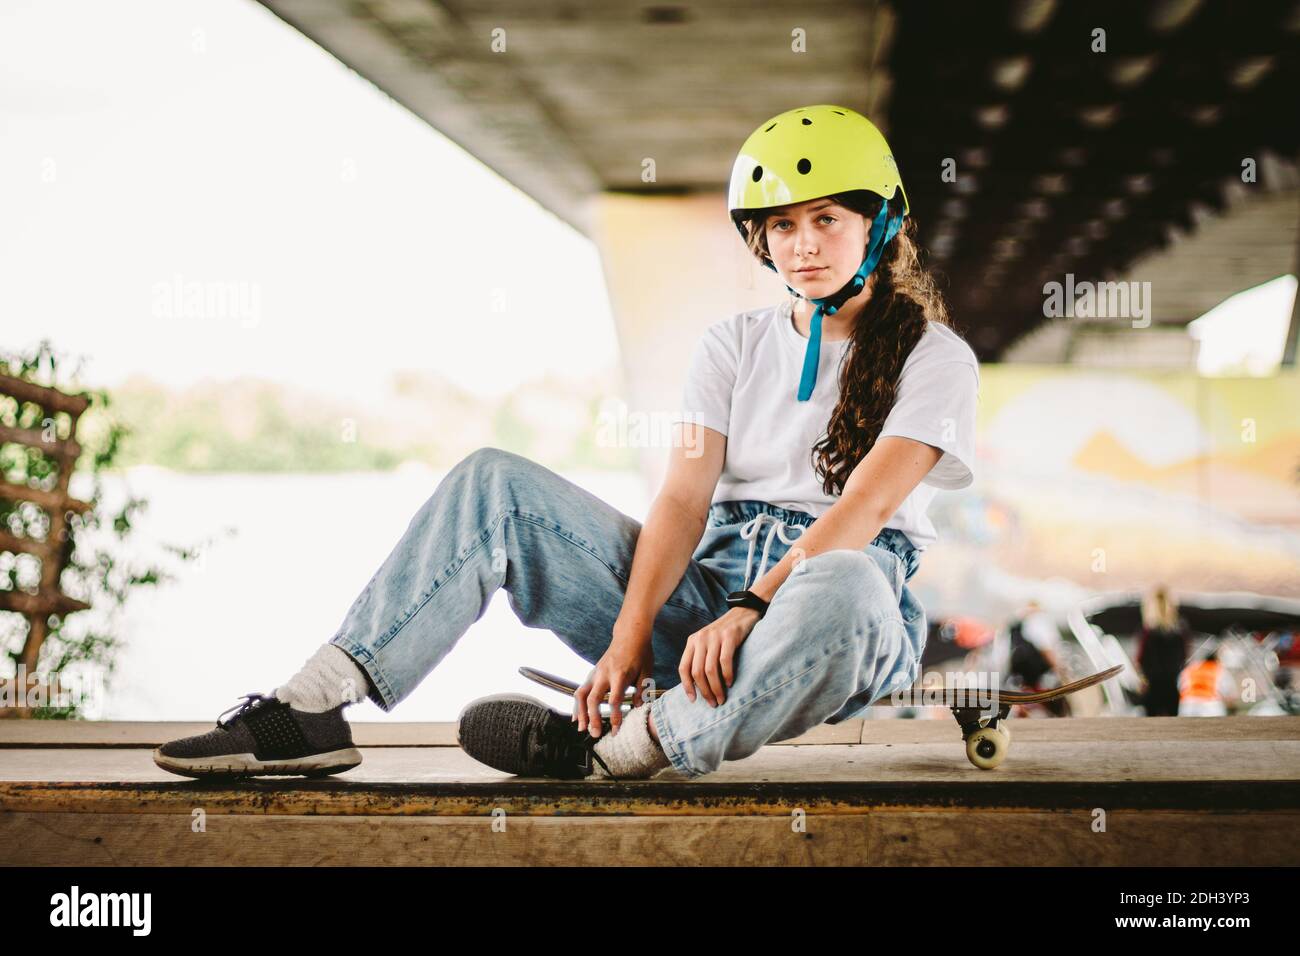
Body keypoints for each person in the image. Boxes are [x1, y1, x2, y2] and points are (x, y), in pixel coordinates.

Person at [153, 104, 981, 782]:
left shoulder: (936, 358)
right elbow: (685, 500)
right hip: (700, 611)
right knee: (493, 482)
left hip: (828, 615)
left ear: (881, 224)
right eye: (783, 224)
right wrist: (628, 641)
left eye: (827, 220)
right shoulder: (731, 345)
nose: (802, 244)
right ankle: (312, 706)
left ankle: (622, 752)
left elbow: (868, 506)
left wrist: (751, 608)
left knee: (844, 581)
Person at [1135, 584, 1188, 717]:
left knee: (1151, 729)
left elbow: (1141, 660)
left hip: (1152, 688)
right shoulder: (1180, 631)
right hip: (1172, 686)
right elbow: (1184, 658)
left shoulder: (1147, 633)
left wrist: (1142, 678)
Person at [1178, 646, 1235, 717]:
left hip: (1187, 705)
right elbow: (1230, 696)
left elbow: (1180, 686)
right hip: (1211, 706)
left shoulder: (1191, 667)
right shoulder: (1220, 670)